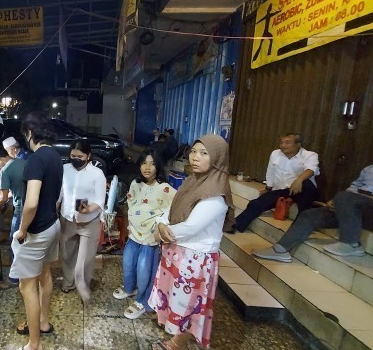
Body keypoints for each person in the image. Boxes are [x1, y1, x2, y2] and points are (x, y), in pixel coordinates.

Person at [149, 135, 233, 350]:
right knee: (176, 300)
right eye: (194, 151)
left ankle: (178, 343)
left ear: (218, 158)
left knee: (187, 304)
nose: (195, 157)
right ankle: (176, 338)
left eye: (204, 153)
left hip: (194, 258)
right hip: (177, 252)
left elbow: (191, 227)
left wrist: (161, 232)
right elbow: (170, 210)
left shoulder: (215, 194)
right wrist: (160, 224)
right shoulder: (192, 182)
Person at [10, 111, 63, 350]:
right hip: (53, 224)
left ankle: (34, 344)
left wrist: (22, 230)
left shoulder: (35, 159)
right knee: (45, 274)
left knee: (26, 286)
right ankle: (43, 321)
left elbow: (30, 203)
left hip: (37, 231)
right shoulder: (55, 156)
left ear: (30, 133)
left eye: (25, 135)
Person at [252, 164, 373, 262]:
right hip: (352, 207)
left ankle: (351, 243)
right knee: (309, 214)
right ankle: (280, 250)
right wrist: (340, 201)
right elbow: (354, 187)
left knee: (343, 197)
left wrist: (344, 198)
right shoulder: (368, 169)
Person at [112, 149, 176, 320]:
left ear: (158, 167)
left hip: (150, 240)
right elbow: (132, 204)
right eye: (144, 163)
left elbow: (174, 209)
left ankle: (143, 301)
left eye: (152, 164)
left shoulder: (165, 188)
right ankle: (129, 288)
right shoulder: (135, 184)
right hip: (134, 235)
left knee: (144, 270)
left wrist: (161, 226)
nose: (147, 167)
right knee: (127, 262)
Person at [233, 133, 319, 233]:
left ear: (298, 144)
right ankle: (236, 225)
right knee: (256, 203)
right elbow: (270, 172)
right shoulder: (275, 154)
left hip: (300, 190)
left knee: (308, 185)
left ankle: (299, 227)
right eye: (281, 142)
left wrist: (299, 180)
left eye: (287, 143)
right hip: (281, 191)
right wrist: (268, 188)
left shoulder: (310, 155)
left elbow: (311, 169)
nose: (283, 145)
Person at [59, 139, 107, 306]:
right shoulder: (65, 169)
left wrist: (89, 209)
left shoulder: (97, 174)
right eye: (73, 155)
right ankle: (68, 282)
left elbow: (101, 200)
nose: (76, 158)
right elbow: (61, 192)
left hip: (89, 221)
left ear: (88, 156)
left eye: (80, 156)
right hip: (67, 218)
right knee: (67, 254)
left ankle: (83, 287)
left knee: (84, 260)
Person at [0, 146, 26, 289]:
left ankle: (14, 279)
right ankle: (25, 273)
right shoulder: (21, 162)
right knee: (24, 242)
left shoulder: (5, 170)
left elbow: (3, 198)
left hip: (20, 210)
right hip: (31, 207)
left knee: (14, 243)